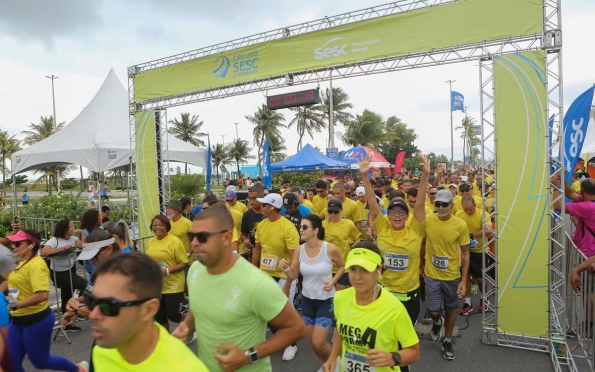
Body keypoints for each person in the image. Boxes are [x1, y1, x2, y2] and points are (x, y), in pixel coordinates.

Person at [172, 207, 306, 372]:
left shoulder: (256, 283)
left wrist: (248, 356)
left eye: (203, 236)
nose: (194, 243)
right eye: (191, 236)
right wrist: (186, 326)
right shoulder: (195, 270)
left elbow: (297, 328)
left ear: (227, 237)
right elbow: (200, 304)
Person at [90, 253, 208, 371]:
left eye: (108, 306)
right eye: (91, 301)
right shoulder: (103, 348)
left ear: (149, 309)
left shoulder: (185, 368)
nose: (93, 315)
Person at [322, 242, 420, 372]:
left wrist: (392, 357)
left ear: (378, 269)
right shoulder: (340, 298)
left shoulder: (394, 308)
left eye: (365, 270)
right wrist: (332, 358)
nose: (357, 277)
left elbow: (414, 352)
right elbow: (341, 329)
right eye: (353, 269)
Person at [358, 153, 428, 335]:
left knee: (403, 341)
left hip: (410, 297)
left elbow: (419, 204)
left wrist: (426, 176)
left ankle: (403, 364)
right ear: (387, 214)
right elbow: (373, 203)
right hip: (384, 294)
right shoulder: (382, 226)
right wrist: (365, 176)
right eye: (393, 212)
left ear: (407, 214)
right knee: (383, 337)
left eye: (401, 212)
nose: (397, 215)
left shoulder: (415, 228)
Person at [7, 229, 88, 372]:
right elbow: (15, 288)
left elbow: (42, 295)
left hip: (36, 320)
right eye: (13, 243)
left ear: (31, 244)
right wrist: (12, 303)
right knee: (11, 364)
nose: (13, 246)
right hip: (17, 320)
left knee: (40, 361)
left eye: (18, 243)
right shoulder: (21, 263)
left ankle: (78, 369)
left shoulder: (37, 265)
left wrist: (14, 305)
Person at [280, 214, 345, 367]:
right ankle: (331, 365)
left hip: (326, 301)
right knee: (313, 344)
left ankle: (338, 366)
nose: (300, 230)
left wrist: (333, 280)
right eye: (300, 227)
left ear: (316, 230)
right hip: (307, 301)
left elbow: (342, 266)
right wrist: (286, 269)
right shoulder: (299, 250)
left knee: (318, 342)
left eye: (304, 227)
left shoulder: (329, 248)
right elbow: (294, 275)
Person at [418, 187, 470, 360]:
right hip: (432, 275)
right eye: (437, 204)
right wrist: (420, 264)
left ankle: (447, 341)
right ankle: (436, 322)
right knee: (433, 311)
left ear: (451, 205)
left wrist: (464, 280)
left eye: (444, 205)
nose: (440, 208)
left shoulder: (460, 225)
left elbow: (465, 252)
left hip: (452, 276)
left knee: (450, 310)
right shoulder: (428, 221)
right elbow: (422, 243)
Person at [251, 193, 301, 361]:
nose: (260, 207)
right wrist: (252, 271)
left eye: (264, 205)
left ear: (272, 207)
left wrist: (289, 282)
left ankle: (291, 344)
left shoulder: (288, 227)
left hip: (284, 274)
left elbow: (295, 257)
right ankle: (282, 337)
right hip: (266, 274)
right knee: (265, 310)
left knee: (283, 311)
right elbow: (257, 249)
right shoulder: (262, 225)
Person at [145, 215, 189, 329]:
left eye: (161, 225)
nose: (157, 227)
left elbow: (184, 262)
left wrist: (167, 271)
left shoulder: (175, 241)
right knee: (160, 316)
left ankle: (189, 325)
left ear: (167, 226)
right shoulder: (150, 242)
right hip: (157, 284)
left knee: (172, 314)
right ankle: (165, 340)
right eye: (155, 225)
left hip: (173, 283)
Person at [41, 219, 87, 324]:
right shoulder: (54, 241)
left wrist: (81, 232)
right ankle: (75, 311)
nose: (73, 228)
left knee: (67, 294)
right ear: (64, 229)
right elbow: (44, 252)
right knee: (85, 285)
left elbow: (83, 245)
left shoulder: (73, 239)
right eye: (71, 226)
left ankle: (67, 321)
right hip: (59, 273)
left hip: (71, 268)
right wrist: (62, 248)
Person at [455, 196, 495, 315]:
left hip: (479, 251)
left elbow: (488, 230)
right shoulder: (458, 214)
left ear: (474, 206)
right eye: (465, 210)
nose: (467, 212)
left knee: (480, 278)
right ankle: (468, 303)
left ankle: (484, 298)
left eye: (470, 210)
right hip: (464, 251)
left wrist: (471, 235)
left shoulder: (483, 213)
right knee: (465, 277)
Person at [323, 198, 360, 290]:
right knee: (328, 295)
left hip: (343, 266)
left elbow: (357, 239)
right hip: (327, 266)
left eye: (336, 212)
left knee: (339, 294)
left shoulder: (348, 224)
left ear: (341, 210)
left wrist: (353, 250)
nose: (333, 214)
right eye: (330, 212)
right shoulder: (322, 225)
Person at [553, 177, 595, 258]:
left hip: (586, 253)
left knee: (580, 269)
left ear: (582, 190)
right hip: (590, 251)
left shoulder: (588, 207)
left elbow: (558, 206)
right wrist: (563, 177)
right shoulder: (589, 201)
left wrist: (555, 188)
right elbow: (570, 193)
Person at [241, 184, 266, 262]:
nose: (251, 202)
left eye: (254, 198)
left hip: (269, 254)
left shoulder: (269, 214)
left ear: (262, 197)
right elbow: (243, 234)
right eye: (250, 198)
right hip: (254, 255)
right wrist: (246, 241)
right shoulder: (246, 215)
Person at [80, 209, 103, 276]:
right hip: (92, 264)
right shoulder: (85, 231)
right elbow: (86, 245)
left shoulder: (98, 229)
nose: (101, 218)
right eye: (99, 216)